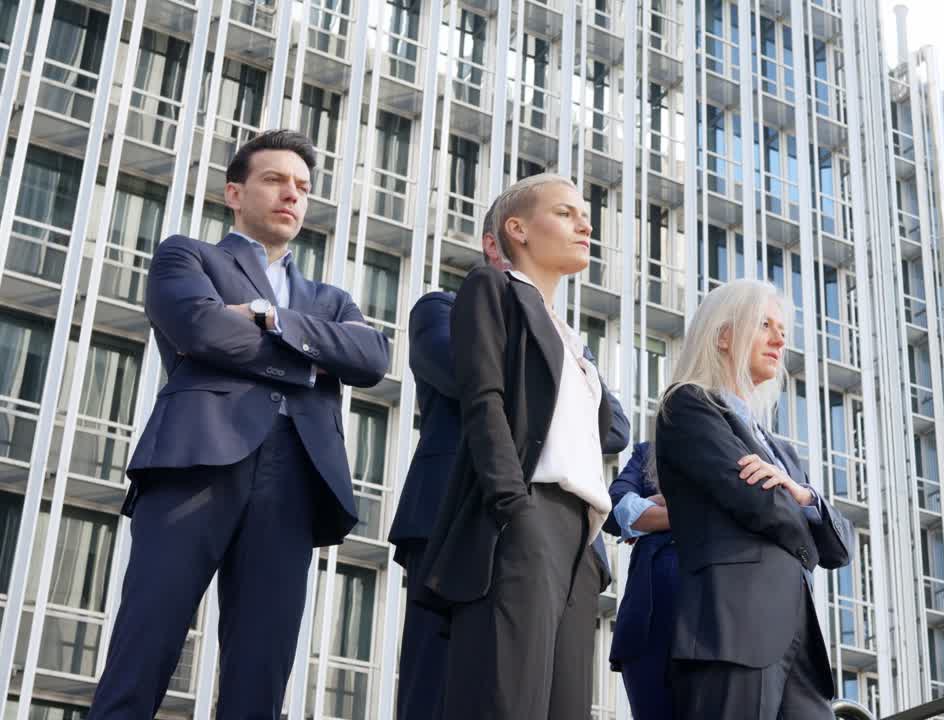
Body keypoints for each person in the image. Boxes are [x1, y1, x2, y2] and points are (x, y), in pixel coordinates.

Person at [89, 130, 390, 718]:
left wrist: (266, 317)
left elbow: (371, 359)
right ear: (235, 191)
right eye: (275, 180)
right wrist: (311, 359)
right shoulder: (188, 255)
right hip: (195, 462)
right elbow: (201, 330)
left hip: (296, 478)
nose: (291, 195)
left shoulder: (328, 297)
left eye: (302, 187)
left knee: (262, 669)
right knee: (144, 645)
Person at [389, 207, 629, 718]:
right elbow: (473, 375)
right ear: (497, 242)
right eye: (564, 214)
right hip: (457, 519)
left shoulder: (564, 335)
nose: (583, 227)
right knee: (435, 689)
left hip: (560, 532)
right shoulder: (441, 307)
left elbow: (616, 427)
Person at [655, 279, 853, 720]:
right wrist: (808, 521)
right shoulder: (689, 406)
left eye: (781, 328)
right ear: (724, 336)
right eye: (764, 324)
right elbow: (756, 501)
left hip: (798, 642)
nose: (780, 340)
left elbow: (840, 547)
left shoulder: (783, 453)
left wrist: (802, 495)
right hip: (733, 631)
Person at [602, 441, 679, 720]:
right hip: (648, 628)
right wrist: (692, 511)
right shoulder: (649, 453)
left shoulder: (739, 450)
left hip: (716, 627)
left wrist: (651, 513)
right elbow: (615, 507)